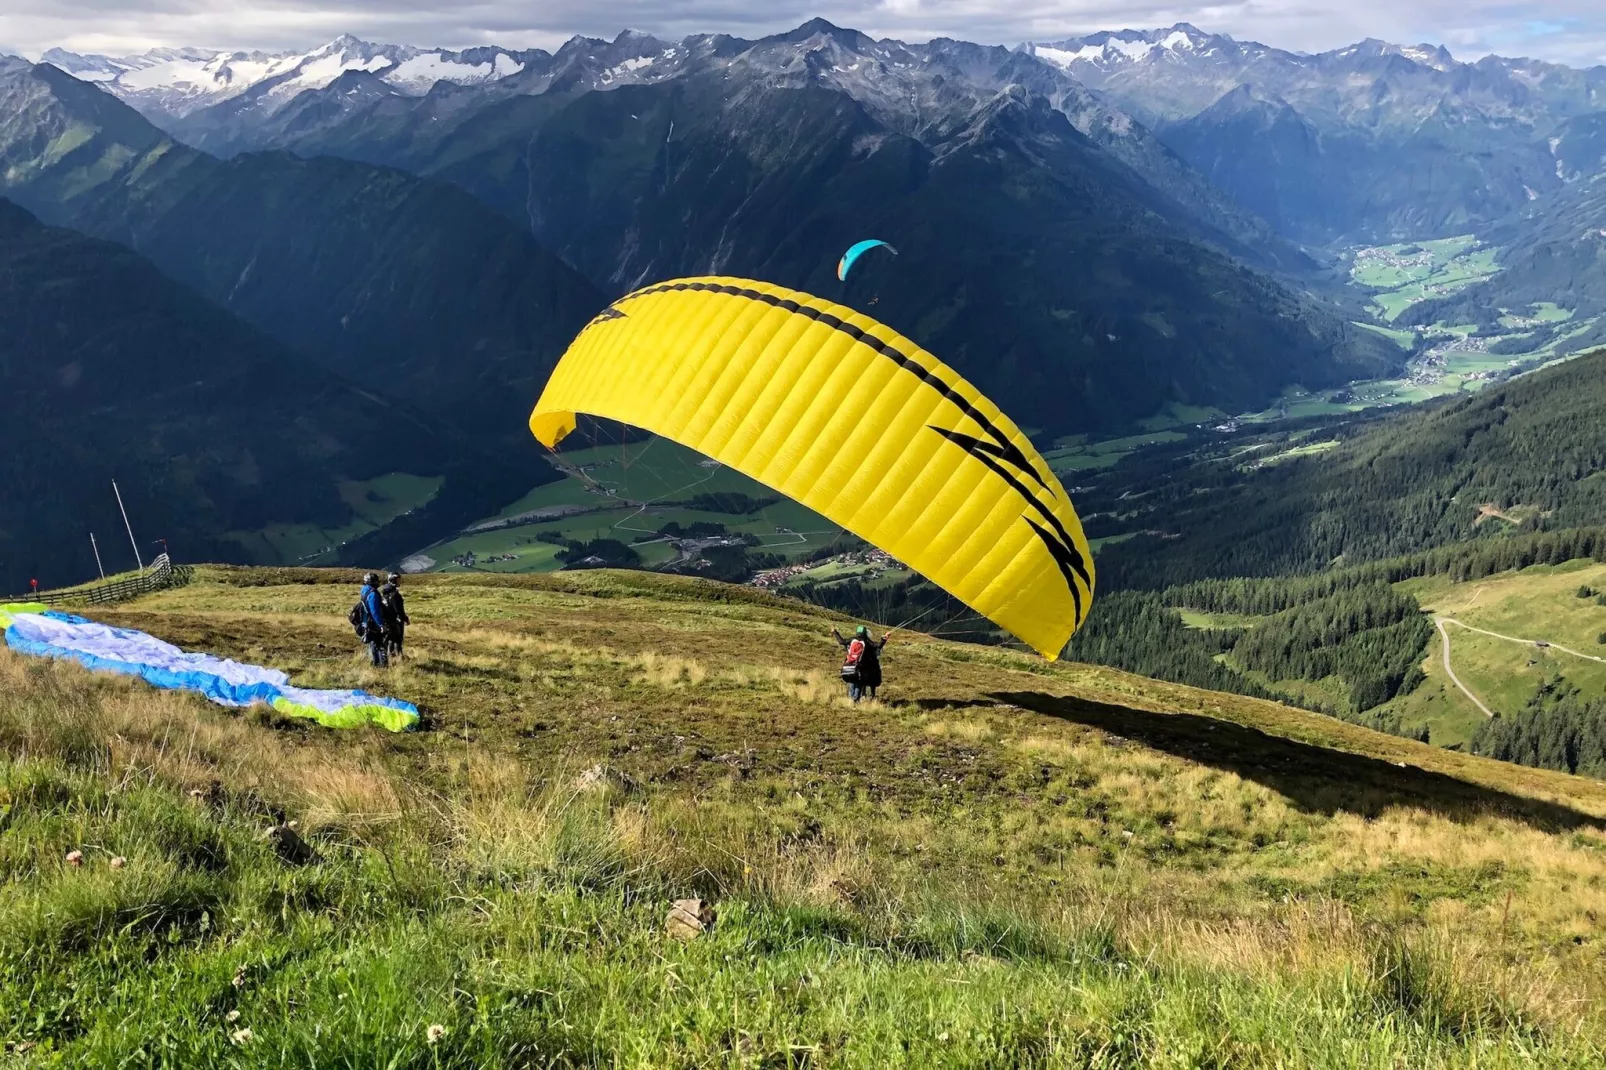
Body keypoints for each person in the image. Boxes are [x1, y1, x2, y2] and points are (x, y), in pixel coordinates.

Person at [833, 624, 889, 702]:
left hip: (850, 664)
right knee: (859, 682)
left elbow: (841, 641)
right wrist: (884, 639)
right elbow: (878, 646)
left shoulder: (853, 639)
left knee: (852, 680)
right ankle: (855, 700)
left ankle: (850, 699)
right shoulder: (867, 641)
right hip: (861, 666)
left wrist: (835, 632)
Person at [355, 572, 389, 667]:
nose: (377, 582)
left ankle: (375, 663)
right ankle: (381, 665)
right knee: (379, 644)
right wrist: (381, 625)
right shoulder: (373, 594)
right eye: (375, 580)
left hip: (366, 621)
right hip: (373, 622)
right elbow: (375, 611)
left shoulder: (364, 590)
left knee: (373, 643)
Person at [379, 572, 410, 661]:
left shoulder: (385, 592)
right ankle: (399, 656)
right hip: (395, 619)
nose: (400, 581)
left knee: (390, 638)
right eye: (398, 580)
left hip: (386, 619)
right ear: (393, 580)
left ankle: (389, 655)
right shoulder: (394, 594)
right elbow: (398, 609)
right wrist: (404, 618)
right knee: (398, 639)